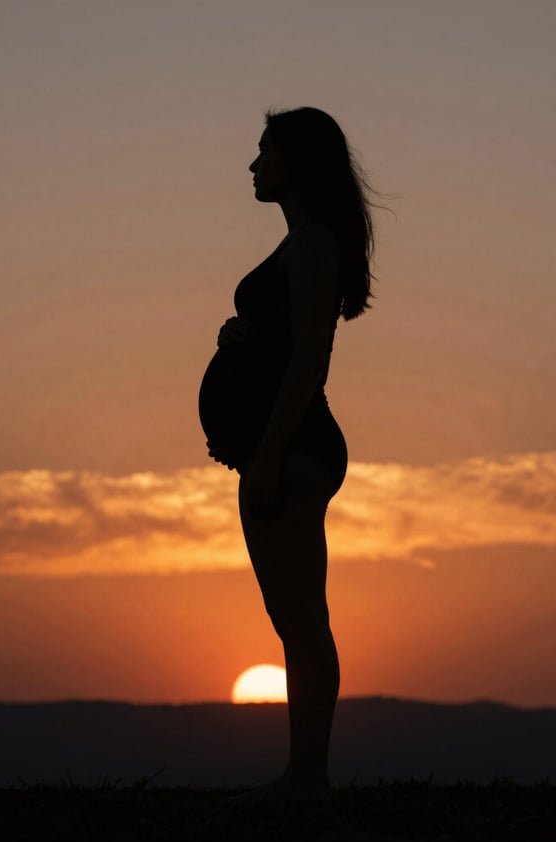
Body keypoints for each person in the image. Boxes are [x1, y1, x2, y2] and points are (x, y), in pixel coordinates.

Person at [198, 106, 378, 804]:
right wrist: (243, 339)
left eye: (264, 150)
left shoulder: (311, 245)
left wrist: (269, 451)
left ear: (296, 162)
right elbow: (287, 344)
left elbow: (310, 362)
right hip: (282, 449)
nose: (252, 163)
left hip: (294, 451)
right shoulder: (302, 245)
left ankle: (307, 779)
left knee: (302, 621)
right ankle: (303, 776)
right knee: (293, 618)